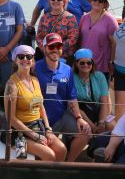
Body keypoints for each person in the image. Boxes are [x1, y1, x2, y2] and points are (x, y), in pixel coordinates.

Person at [34, 33, 91, 161]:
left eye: (58, 46)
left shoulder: (67, 70)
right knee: (46, 154)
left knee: (86, 132)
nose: (55, 49)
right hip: (41, 121)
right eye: (51, 46)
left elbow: (72, 97)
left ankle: (67, 165)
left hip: (61, 116)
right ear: (44, 48)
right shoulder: (35, 68)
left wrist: (79, 118)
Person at [4, 45, 66, 162]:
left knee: (62, 149)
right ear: (15, 60)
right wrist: (35, 136)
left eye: (29, 56)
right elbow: (10, 118)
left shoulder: (35, 80)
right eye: (21, 56)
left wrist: (48, 129)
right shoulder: (11, 84)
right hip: (19, 132)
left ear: (33, 61)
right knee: (50, 155)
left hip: (38, 126)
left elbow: (41, 107)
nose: (25, 59)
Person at [78, 0, 118, 81]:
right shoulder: (84, 17)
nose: (97, 2)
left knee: (101, 93)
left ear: (104, 4)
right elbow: (79, 39)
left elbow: (114, 43)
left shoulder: (110, 19)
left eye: (101, 0)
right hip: (83, 63)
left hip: (102, 65)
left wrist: (112, 62)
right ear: (91, 1)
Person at [72, 48, 115, 134]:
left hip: (100, 110)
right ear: (76, 64)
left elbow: (105, 102)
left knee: (112, 125)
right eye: (82, 63)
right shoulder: (72, 78)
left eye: (89, 62)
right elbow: (74, 105)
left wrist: (101, 123)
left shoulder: (99, 76)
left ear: (92, 64)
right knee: (86, 128)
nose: (86, 65)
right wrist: (92, 125)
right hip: (81, 113)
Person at [36, 0, 79, 64]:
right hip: (47, 56)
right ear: (49, 1)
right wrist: (45, 49)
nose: (55, 1)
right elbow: (39, 36)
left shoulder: (70, 17)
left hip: (65, 58)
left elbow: (73, 38)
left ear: (63, 2)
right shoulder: (44, 17)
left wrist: (57, 49)